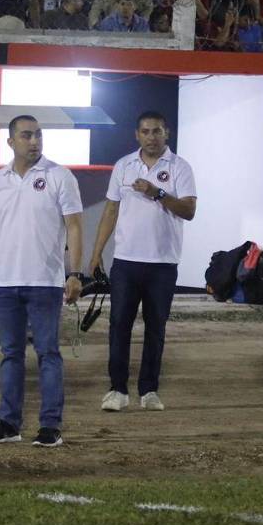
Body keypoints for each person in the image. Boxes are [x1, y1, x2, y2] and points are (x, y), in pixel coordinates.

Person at [0, 114, 84, 448]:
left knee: (48, 353)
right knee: (11, 355)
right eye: (27, 136)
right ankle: (9, 423)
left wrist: (74, 273)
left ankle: (50, 427)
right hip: (6, 283)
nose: (34, 142)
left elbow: (74, 225)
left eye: (38, 135)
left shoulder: (59, 176)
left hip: (45, 281)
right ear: (10, 141)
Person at [89, 111, 196, 412]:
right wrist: (97, 253)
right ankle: (117, 389)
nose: (151, 137)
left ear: (167, 133)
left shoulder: (180, 167)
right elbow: (110, 211)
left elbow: (189, 210)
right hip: (125, 261)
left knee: (155, 328)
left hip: (163, 263)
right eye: (146, 131)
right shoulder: (123, 166)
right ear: (137, 135)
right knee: (119, 325)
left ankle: (149, 390)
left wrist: (157, 192)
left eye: (157, 131)